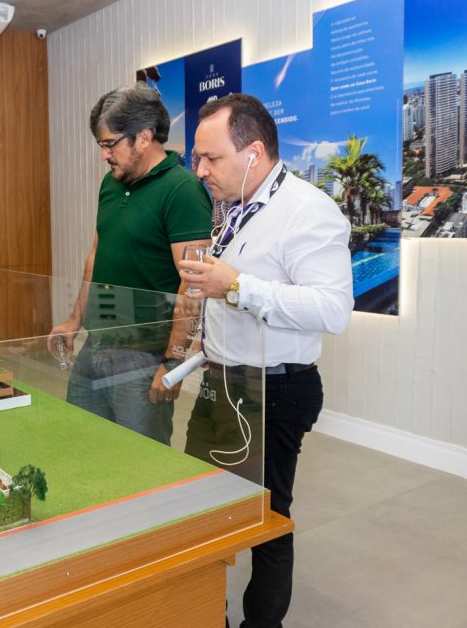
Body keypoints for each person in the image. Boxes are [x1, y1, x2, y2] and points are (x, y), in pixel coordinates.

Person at [180, 94, 353, 628]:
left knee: (267, 518)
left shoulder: (308, 211)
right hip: (223, 380)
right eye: (198, 158)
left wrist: (237, 286)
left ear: (253, 153)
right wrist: (204, 337)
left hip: (274, 391)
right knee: (196, 502)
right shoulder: (234, 207)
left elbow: (332, 309)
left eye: (211, 158)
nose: (200, 170)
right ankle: (203, 613)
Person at [49, 82, 213, 445]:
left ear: (144, 137)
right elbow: (96, 255)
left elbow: (193, 285)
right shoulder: (111, 184)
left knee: (140, 461)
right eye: (101, 145)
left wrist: (174, 362)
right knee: (81, 445)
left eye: (110, 144)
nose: (104, 155)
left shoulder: (182, 190)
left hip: (144, 356)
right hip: (96, 344)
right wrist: (74, 321)